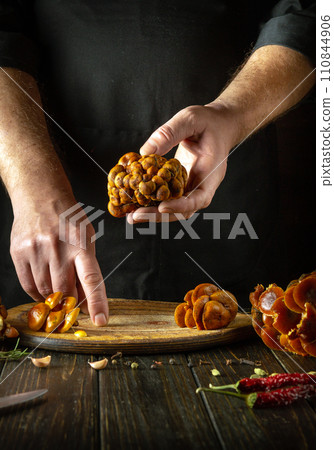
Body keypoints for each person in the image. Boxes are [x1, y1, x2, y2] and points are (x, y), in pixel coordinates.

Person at [0, 0, 315, 325]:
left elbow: (310, 16)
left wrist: (231, 114)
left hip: (224, 176)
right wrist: (32, 186)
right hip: (49, 183)